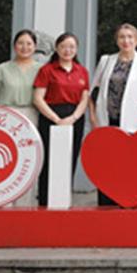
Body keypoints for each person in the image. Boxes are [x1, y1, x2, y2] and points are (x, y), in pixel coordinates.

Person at [89, 23, 137, 205]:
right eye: (122, 37)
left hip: (134, 122)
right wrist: (93, 118)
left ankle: (130, 203)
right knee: (106, 165)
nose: (126, 41)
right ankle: (106, 205)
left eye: (130, 37)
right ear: (116, 40)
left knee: (130, 167)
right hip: (108, 120)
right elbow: (93, 91)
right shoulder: (106, 60)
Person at [32, 32, 90, 207]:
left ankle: (64, 201)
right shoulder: (47, 70)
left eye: (71, 47)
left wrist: (73, 117)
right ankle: (44, 202)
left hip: (75, 117)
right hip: (51, 115)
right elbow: (38, 99)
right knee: (49, 161)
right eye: (63, 46)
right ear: (56, 49)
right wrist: (56, 119)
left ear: (76, 49)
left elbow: (85, 99)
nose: (67, 50)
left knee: (69, 159)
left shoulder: (82, 71)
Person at [0, 29, 42, 207]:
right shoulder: (2, 69)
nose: (24, 47)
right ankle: (4, 201)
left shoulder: (41, 69)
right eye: (20, 43)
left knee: (28, 160)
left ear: (35, 47)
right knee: (6, 158)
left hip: (31, 115)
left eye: (29, 44)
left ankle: (25, 204)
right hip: (7, 116)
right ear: (14, 46)